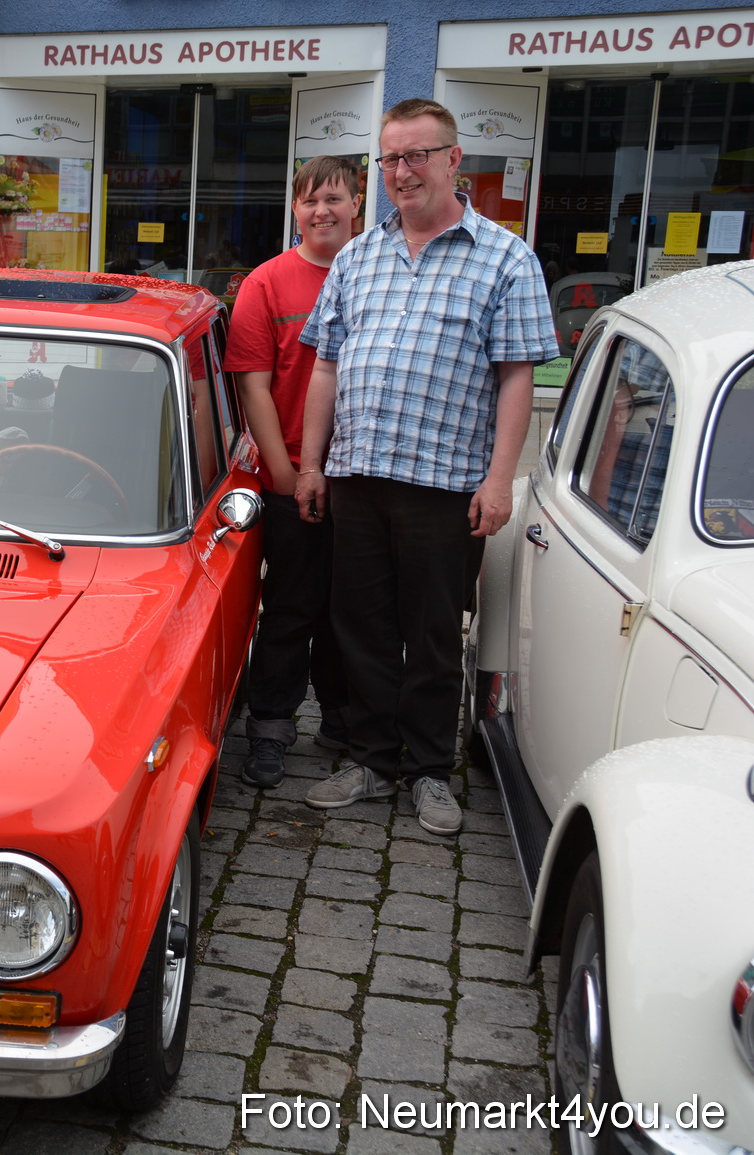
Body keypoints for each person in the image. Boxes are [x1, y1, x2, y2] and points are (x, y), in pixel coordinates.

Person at [294, 99, 556, 835]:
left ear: (452, 159)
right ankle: (374, 759)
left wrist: (499, 478)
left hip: (446, 486)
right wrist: (312, 464)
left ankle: (429, 769)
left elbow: (515, 378)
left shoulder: (504, 257)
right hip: (358, 475)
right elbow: (326, 366)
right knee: (363, 627)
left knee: (437, 633)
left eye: (416, 156)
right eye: (390, 159)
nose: (401, 173)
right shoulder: (358, 256)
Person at [224, 155, 362, 788]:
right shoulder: (266, 284)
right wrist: (282, 471)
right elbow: (253, 385)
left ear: (357, 204)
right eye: (309, 201)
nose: (322, 211)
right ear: (294, 210)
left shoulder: (379, 275)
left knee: (354, 613)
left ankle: (346, 722)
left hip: (365, 475)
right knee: (288, 608)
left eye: (333, 199)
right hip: (292, 473)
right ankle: (272, 727)